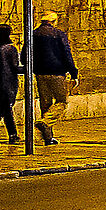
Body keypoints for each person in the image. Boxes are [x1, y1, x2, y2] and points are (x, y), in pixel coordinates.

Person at [30, 13, 77, 146]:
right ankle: (45, 123)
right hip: (57, 73)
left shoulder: (33, 34)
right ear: (54, 21)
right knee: (61, 102)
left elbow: (25, 54)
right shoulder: (58, 34)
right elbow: (67, 54)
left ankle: (48, 137)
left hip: (40, 74)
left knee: (45, 103)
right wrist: (74, 73)